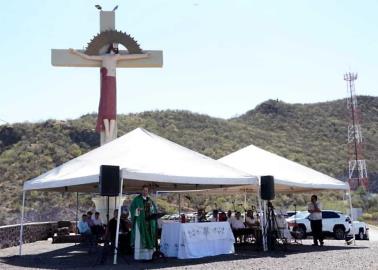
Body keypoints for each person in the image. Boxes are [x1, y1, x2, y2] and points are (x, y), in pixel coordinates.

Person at [69, 45, 149, 144]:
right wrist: (75, 52)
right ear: (110, 47)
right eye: (114, 46)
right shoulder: (104, 56)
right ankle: (108, 134)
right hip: (106, 80)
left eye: (116, 47)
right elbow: (89, 57)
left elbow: (131, 56)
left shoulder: (117, 56)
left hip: (112, 80)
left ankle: (110, 135)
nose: (115, 49)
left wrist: (144, 56)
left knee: (112, 106)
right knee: (106, 105)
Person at [130, 185, 158, 260]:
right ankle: (140, 256)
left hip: (149, 223)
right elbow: (132, 209)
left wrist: (152, 212)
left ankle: (149, 256)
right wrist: (137, 210)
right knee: (140, 239)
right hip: (140, 222)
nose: (145, 192)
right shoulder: (137, 199)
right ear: (141, 191)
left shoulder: (150, 200)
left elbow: (154, 210)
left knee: (150, 237)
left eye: (147, 191)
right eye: (144, 190)